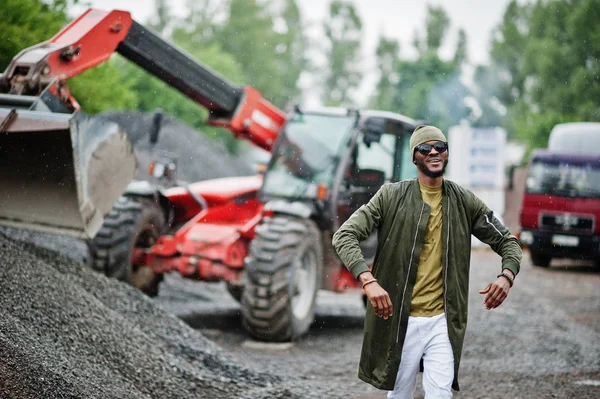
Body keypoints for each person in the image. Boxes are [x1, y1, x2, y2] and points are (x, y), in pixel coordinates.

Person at [332, 125, 522, 398]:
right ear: (414, 157)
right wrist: (368, 280)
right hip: (400, 320)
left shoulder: (463, 201)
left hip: (442, 323)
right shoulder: (391, 196)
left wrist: (506, 276)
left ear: (447, 154)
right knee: (399, 395)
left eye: (440, 147)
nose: (434, 152)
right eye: (425, 148)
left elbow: (508, 241)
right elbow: (345, 235)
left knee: (440, 394)